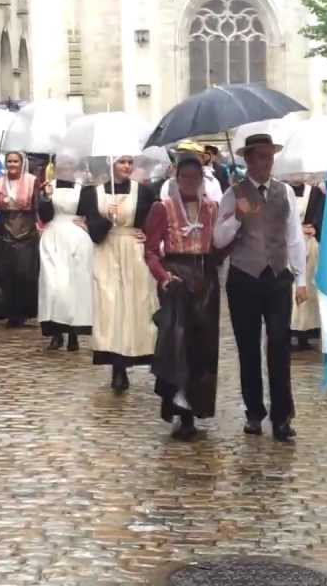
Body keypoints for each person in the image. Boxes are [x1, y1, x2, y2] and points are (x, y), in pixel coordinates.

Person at [213, 134, 306, 442]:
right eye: (262, 157)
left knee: (279, 344)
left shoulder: (284, 192)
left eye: (270, 156)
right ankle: (254, 412)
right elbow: (218, 239)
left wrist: (301, 279)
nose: (267, 163)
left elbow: (294, 236)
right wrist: (237, 218)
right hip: (244, 277)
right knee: (248, 347)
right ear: (248, 160)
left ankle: (282, 416)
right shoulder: (233, 193)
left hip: (278, 276)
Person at [145, 156, 221, 440]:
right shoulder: (162, 208)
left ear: (202, 179)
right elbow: (150, 250)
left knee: (203, 346)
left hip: (205, 281)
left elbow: (219, 248)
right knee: (177, 346)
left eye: (195, 177)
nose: (190, 182)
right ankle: (180, 409)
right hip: (176, 278)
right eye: (185, 177)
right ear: (176, 179)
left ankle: (197, 404)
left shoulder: (211, 209)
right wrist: (163, 276)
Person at [80, 154, 158, 390]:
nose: (126, 166)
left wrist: (148, 235)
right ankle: (116, 365)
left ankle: (135, 354)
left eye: (129, 162)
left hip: (133, 252)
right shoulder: (92, 193)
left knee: (135, 305)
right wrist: (106, 218)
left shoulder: (144, 192)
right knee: (110, 306)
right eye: (121, 162)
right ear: (111, 164)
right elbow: (94, 234)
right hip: (106, 252)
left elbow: (155, 221)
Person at [37, 155, 93, 352]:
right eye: (61, 164)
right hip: (53, 237)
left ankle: (73, 333)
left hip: (77, 238)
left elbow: (91, 212)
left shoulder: (83, 189)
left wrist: (88, 223)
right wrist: (46, 198)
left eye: (69, 164)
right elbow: (44, 215)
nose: (65, 168)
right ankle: (55, 332)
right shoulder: (48, 187)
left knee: (75, 286)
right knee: (53, 285)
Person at [0, 151, 40, 327]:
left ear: (22, 163)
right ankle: (5, 311)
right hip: (4, 227)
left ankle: (23, 311)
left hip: (26, 227)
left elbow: (36, 206)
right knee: (3, 271)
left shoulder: (32, 180)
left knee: (24, 271)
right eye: (9, 161)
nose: (12, 164)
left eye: (15, 161)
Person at [289, 181, 324, 351]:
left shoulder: (315, 192)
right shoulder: (281, 191)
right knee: (289, 289)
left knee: (308, 287)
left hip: (308, 244)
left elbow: (321, 217)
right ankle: (288, 330)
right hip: (287, 244)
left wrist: (315, 227)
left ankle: (306, 332)